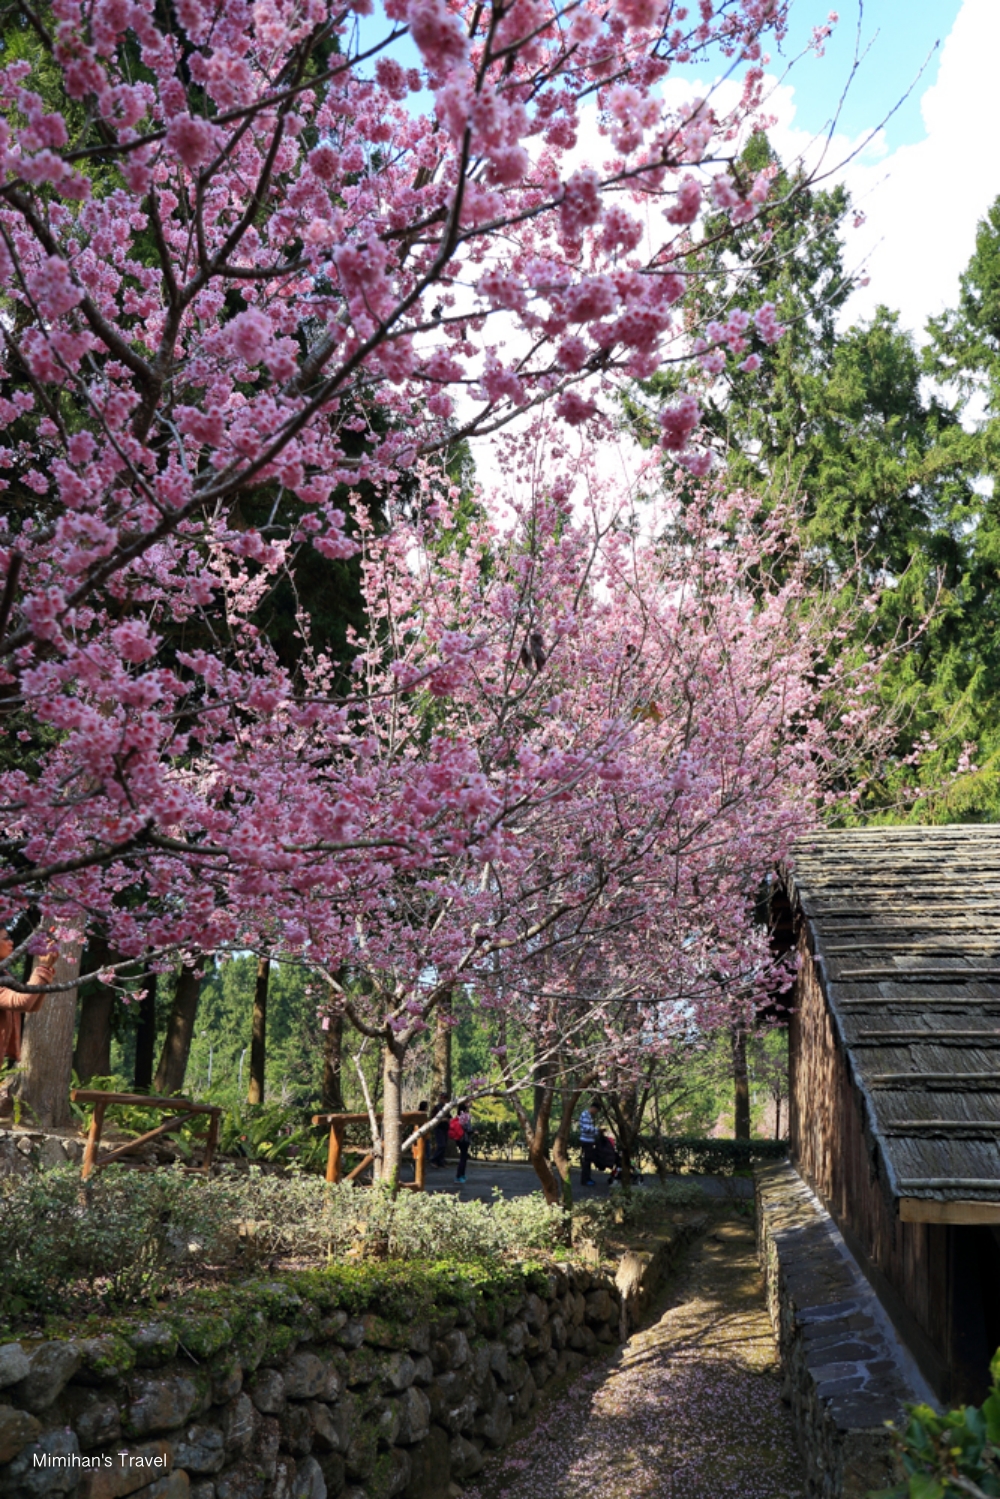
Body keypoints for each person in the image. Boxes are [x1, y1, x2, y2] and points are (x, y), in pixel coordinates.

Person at [0, 928, 56, 1083]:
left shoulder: (4, 974)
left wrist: (46, 970)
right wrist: (42, 969)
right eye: (6, 938)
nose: (12, 942)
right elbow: (22, 1001)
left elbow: (32, 1006)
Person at [578, 1097, 598, 1186]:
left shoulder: (589, 1116)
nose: (596, 1113)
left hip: (589, 1140)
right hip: (586, 1141)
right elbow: (586, 1129)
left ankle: (588, 1178)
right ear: (593, 1108)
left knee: (588, 1160)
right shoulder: (585, 1115)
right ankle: (585, 1180)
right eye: (596, 1111)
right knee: (587, 1161)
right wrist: (597, 1130)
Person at [450, 1105, 472, 1183]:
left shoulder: (457, 1117)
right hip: (464, 1139)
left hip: (458, 1139)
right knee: (463, 1158)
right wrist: (474, 1131)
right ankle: (459, 1175)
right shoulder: (466, 1117)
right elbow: (468, 1129)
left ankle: (461, 1175)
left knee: (463, 1157)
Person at [430, 1092, 451, 1168]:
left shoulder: (446, 1108)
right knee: (441, 1145)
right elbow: (433, 1118)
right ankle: (434, 1160)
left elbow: (449, 1116)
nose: (444, 1100)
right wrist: (442, 1119)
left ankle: (441, 1161)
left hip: (445, 1128)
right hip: (438, 1128)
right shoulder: (437, 1108)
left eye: (445, 1098)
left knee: (444, 1145)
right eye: (443, 1098)